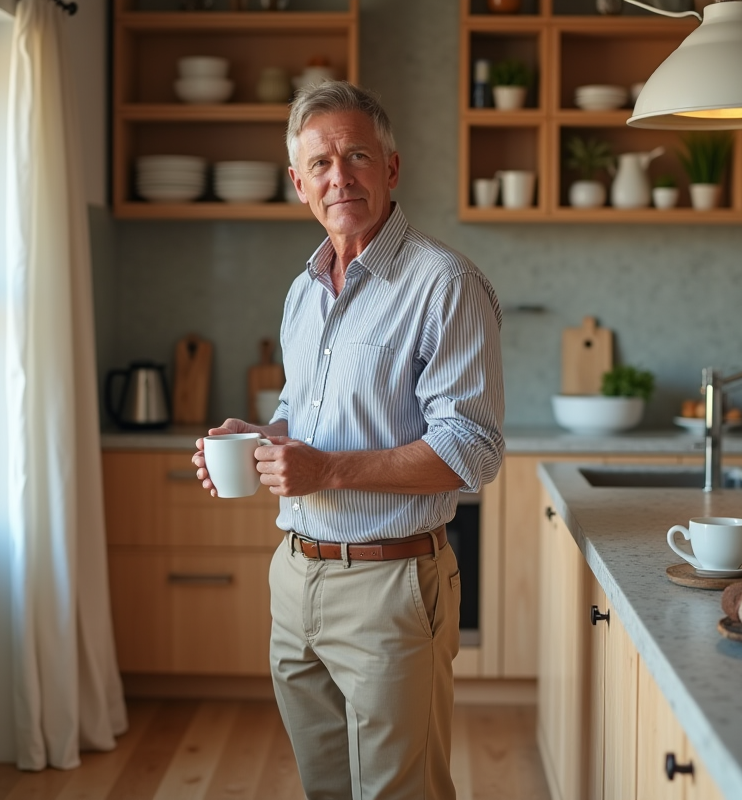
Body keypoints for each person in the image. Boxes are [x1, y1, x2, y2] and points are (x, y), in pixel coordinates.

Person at [192, 81, 504, 799]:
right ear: (299, 184)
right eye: (321, 164)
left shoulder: (444, 284)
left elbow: (472, 449)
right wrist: (260, 436)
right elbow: (305, 416)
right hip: (295, 577)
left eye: (356, 155)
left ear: (390, 168)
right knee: (324, 790)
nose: (341, 176)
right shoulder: (304, 291)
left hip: (391, 587)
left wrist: (326, 469)